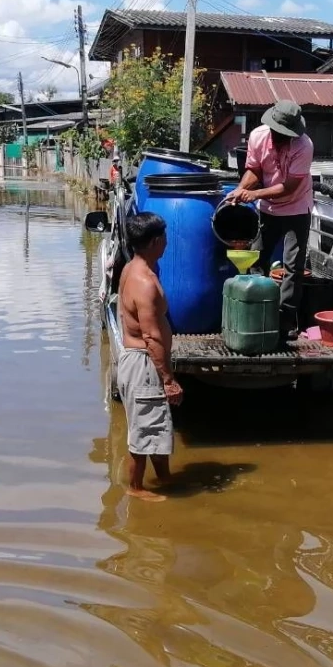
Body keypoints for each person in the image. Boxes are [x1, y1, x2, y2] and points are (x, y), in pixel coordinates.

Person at [224, 100, 314, 341]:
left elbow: (289, 186)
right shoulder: (257, 136)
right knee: (256, 258)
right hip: (268, 209)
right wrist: (240, 190)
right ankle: (255, 312)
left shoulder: (304, 146)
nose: (279, 137)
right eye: (277, 131)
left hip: (297, 207)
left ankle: (285, 321)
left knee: (293, 266)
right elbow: (253, 170)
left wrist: (252, 194)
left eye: (285, 134)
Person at [117, 211, 184, 500]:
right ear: (156, 241)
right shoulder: (144, 282)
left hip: (137, 361)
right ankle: (136, 489)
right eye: (165, 238)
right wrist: (168, 379)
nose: (167, 242)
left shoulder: (131, 268)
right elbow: (152, 336)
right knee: (144, 429)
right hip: (143, 362)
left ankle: (165, 478)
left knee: (154, 423)